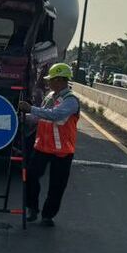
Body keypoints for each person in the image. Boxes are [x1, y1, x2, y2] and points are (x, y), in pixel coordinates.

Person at [19, 62, 80, 227]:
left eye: (51, 79)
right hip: (43, 147)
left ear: (60, 80)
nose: (48, 83)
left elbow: (55, 115)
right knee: (31, 176)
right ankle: (32, 208)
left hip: (62, 150)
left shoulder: (71, 101)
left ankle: (48, 215)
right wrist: (21, 118)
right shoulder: (49, 96)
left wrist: (31, 109)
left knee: (57, 185)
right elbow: (39, 116)